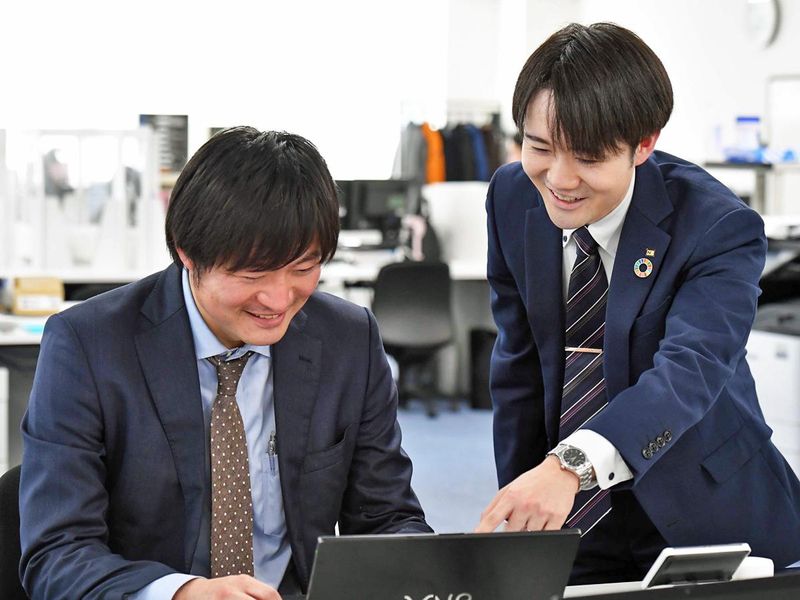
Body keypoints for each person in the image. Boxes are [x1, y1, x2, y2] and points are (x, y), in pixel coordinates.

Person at [20, 127, 432, 599]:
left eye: (303, 268)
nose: (279, 299)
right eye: (252, 273)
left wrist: (434, 571)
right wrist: (181, 593)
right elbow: (57, 553)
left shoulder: (348, 339)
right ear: (187, 252)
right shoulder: (88, 346)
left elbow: (387, 517)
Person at [476, 22, 800, 584]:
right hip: (572, 510)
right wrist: (527, 494)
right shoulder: (511, 195)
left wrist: (569, 466)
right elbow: (520, 365)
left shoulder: (717, 225)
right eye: (539, 147)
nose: (559, 179)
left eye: (587, 157)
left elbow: (688, 371)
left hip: (700, 504)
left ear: (643, 144)